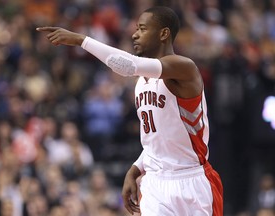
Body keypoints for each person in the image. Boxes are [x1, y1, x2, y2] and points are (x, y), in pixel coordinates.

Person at [37, 6, 223, 216]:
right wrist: (135, 169)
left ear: (163, 33)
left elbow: (128, 65)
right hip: (156, 183)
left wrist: (82, 40)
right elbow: (158, 141)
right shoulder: (141, 84)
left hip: (192, 180)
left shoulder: (184, 68)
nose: (135, 34)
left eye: (142, 29)